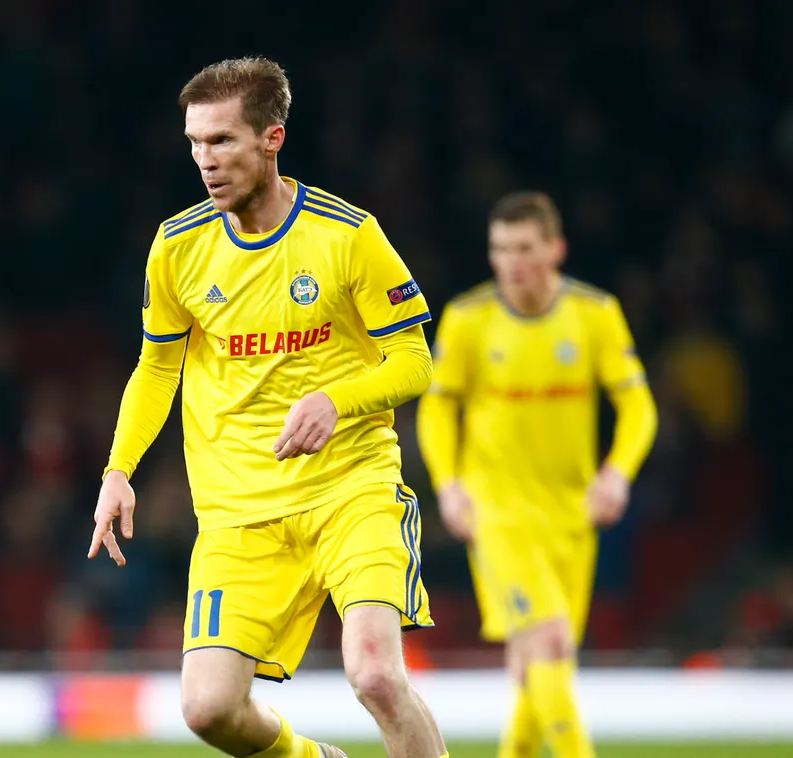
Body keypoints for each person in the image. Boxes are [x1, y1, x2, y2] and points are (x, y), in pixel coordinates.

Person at [89, 57, 450, 758]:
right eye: (194, 143)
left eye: (221, 141)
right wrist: (117, 470)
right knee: (207, 709)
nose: (205, 160)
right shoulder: (176, 246)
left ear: (271, 139)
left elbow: (414, 361)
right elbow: (157, 364)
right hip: (238, 513)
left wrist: (335, 401)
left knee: (375, 676)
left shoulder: (348, 235)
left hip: (350, 490)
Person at [416, 191, 658, 758]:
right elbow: (436, 408)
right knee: (549, 643)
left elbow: (639, 406)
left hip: (572, 516)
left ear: (556, 249)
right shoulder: (469, 319)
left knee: (538, 666)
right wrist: (448, 484)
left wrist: (617, 474)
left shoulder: (594, 315)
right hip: (497, 514)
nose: (512, 262)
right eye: (500, 249)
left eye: (525, 248)